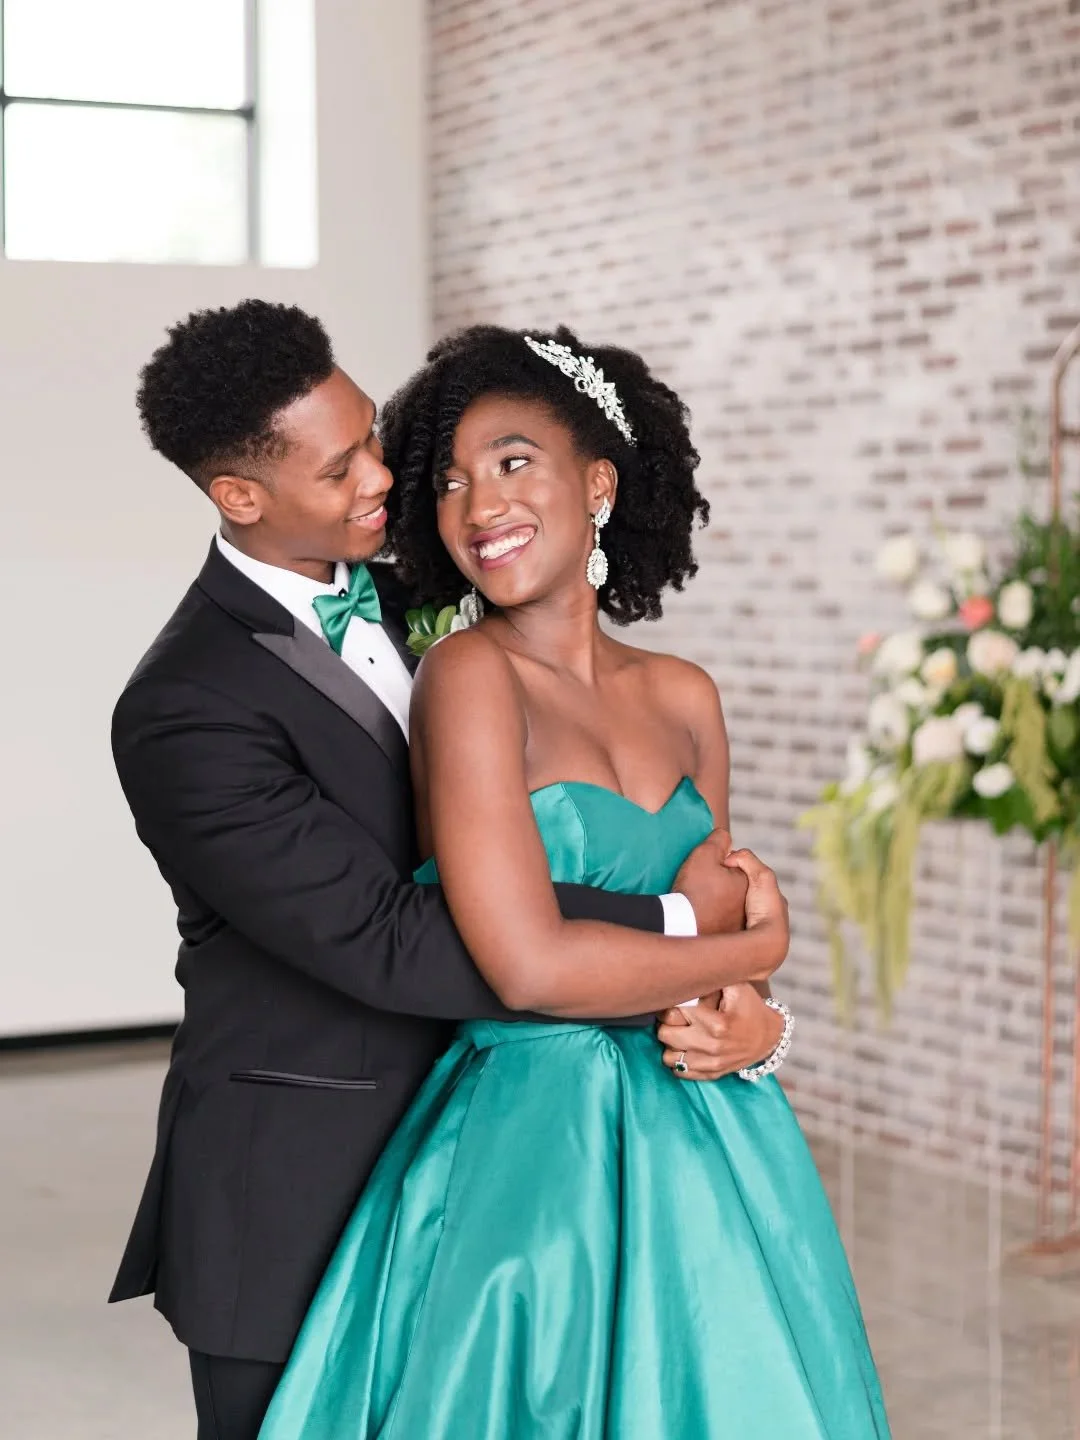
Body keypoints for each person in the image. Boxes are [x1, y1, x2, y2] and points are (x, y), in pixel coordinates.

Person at [108, 301, 789, 1440]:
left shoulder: (432, 602)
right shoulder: (186, 710)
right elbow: (392, 933)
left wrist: (749, 1004)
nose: (388, 476)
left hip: (511, 1153)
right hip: (302, 1186)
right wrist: (686, 924)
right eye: (343, 468)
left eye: (373, 435)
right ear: (242, 496)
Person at [258, 325, 891, 1437]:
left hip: (711, 1134)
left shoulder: (687, 695)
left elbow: (707, 930)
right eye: (447, 480)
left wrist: (754, 1020)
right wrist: (757, 953)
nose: (475, 503)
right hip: (535, 1139)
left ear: (597, 483)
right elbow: (530, 965)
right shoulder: (467, 677)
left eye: (512, 462)